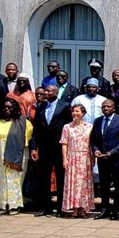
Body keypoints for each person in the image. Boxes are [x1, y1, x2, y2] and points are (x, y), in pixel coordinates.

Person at [30, 85, 72, 217]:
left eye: (48, 91)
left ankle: (60, 208)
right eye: (45, 91)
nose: (45, 93)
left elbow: (68, 127)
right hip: (44, 147)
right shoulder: (41, 107)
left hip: (59, 147)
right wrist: (33, 147)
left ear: (56, 92)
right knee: (44, 177)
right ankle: (46, 207)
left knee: (60, 177)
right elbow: (36, 129)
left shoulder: (64, 106)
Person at [0, 98, 31, 215]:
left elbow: (29, 139)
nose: (7, 109)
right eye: (5, 107)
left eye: (10, 107)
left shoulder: (23, 122)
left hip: (16, 155)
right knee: (0, 180)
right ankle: (2, 204)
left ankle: (14, 205)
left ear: (15, 108)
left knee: (14, 180)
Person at [91, 99, 119, 220]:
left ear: (113, 108)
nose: (105, 108)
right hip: (102, 159)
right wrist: (96, 150)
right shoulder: (97, 121)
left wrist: (112, 152)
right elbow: (93, 139)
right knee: (104, 185)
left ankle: (115, 210)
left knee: (117, 186)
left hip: (116, 158)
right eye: (103, 107)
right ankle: (104, 209)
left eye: (108, 106)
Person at [60, 104, 95, 218]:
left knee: (84, 185)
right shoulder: (67, 127)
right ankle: (74, 209)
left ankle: (84, 208)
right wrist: (65, 159)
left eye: (77, 111)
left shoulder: (89, 126)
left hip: (85, 158)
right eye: (73, 111)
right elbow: (64, 143)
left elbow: (92, 144)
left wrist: (93, 158)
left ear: (83, 113)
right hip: (72, 157)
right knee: (73, 184)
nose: (75, 113)